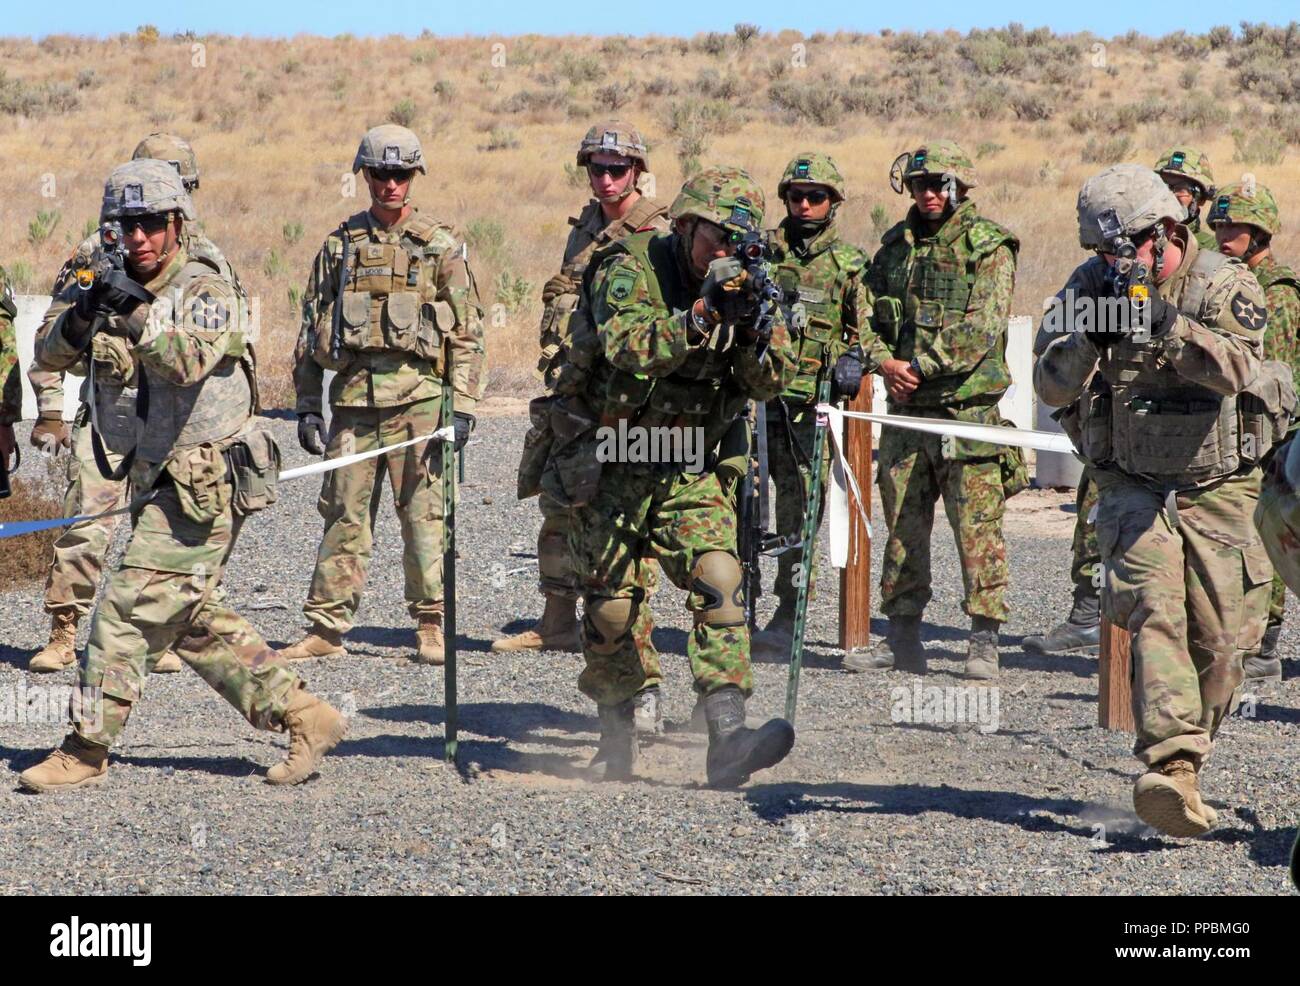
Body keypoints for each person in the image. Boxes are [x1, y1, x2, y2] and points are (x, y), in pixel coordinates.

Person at [19, 159, 345, 792]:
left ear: (175, 223)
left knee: (126, 606)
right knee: (189, 618)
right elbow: (50, 353)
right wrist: (86, 312)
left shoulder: (206, 287)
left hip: (207, 483)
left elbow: (185, 360)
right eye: (125, 225)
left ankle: (85, 748)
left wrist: (133, 309)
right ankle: (307, 716)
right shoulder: (108, 275)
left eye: (149, 225)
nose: (137, 238)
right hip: (154, 478)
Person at [1035, 163, 1287, 838]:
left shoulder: (1222, 282)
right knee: (1155, 614)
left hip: (1219, 483)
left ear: (1170, 229)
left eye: (1137, 245)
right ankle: (1171, 768)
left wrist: (1169, 327)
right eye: (1106, 250)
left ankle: (1187, 759)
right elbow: (1049, 385)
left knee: (1225, 646)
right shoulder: (1088, 290)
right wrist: (1091, 337)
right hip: (1131, 481)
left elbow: (1242, 370)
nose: (1122, 261)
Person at [563, 166, 798, 785]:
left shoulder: (753, 283)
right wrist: (699, 315)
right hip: (615, 455)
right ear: (686, 225)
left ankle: (727, 736)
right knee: (612, 611)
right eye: (712, 240)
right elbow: (627, 345)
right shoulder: (627, 265)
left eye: (735, 245)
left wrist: (752, 330)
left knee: (720, 581)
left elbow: (773, 381)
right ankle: (616, 734)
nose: (722, 256)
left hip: (691, 461)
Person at [27, 132, 238, 675]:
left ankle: (157, 634)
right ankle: (64, 629)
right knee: (85, 524)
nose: (140, 225)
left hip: (173, 427)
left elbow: (210, 359)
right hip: (107, 417)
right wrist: (50, 407)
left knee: (163, 531)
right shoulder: (93, 256)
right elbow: (49, 343)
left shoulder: (205, 269)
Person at [284, 125, 487, 665]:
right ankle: (326, 628)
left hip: (421, 404)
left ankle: (431, 625)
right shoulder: (339, 247)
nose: (389, 184)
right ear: (364, 176)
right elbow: (309, 332)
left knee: (424, 516)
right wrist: (307, 404)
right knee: (344, 515)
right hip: (353, 405)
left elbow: (467, 332)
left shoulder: (440, 246)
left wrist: (462, 407)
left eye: (399, 174)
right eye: (379, 173)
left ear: (413, 177)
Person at [846, 140, 1023, 679]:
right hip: (905, 411)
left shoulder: (987, 245)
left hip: (965, 411)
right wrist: (884, 364)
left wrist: (919, 364)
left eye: (938, 184)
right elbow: (864, 314)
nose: (928, 193)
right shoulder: (894, 248)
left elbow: (982, 325)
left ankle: (983, 642)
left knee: (978, 528)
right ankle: (902, 638)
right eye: (920, 184)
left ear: (960, 187)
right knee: (902, 525)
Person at [751, 152, 881, 656]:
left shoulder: (849, 265)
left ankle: (788, 611)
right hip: (753, 403)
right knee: (739, 504)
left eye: (816, 197)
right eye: (796, 196)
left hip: (808, 410)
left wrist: (856, 358)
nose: (804, 205)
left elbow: (869, 333)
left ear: (834, 203)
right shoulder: (762, 253)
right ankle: (736, 606)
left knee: (798, 511)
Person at [1208, 180, 1300, 687]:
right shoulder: (1226, 280)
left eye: (1235, 226)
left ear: (1260, 231)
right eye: (1219, 225)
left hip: (1274, 432)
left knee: (1270, 534)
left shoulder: (1277, 290)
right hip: (1233, 427)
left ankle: (1266, 645)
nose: (1223, 234)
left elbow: (1275, 370)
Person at [1154, 147, 1218, 254]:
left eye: (1180, 189)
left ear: (1200, 198)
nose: (1169, 195)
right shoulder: (1137, 240)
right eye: (1163, 186)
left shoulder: (1212, 250)